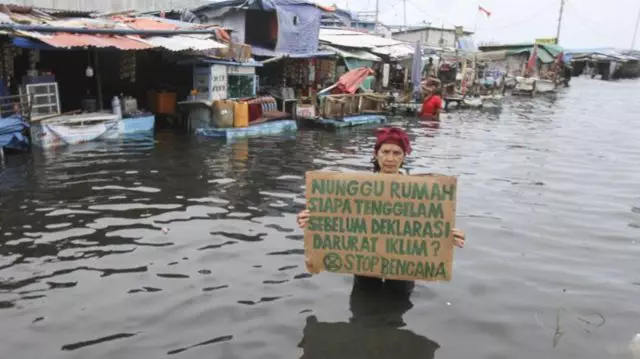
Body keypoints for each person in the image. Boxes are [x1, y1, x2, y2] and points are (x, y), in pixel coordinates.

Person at [296, 127, 466, 295]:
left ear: (404, 156)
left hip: (403, 268)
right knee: (363, 307)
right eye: (385, 152)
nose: (390, 158)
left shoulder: (423, 192)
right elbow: (337, 218)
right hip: (364, 266)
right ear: (376, 154)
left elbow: (432, 225)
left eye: (396, 153)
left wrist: (450, 236)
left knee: (397, 310)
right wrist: (312, 220)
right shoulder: (354, 188)